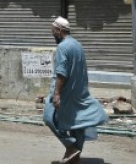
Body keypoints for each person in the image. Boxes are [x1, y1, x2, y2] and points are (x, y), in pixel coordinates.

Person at [42, 16, 108, 164]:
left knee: (48, 117)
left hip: (64, 92)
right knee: (77, 125)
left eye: (53, 31)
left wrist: (56, 94)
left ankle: (70, 147)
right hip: (77, 92)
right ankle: (75, 157)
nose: (52, 34)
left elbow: (61, 73)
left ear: (59, 30)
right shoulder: (77, 45)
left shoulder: (63, 47)